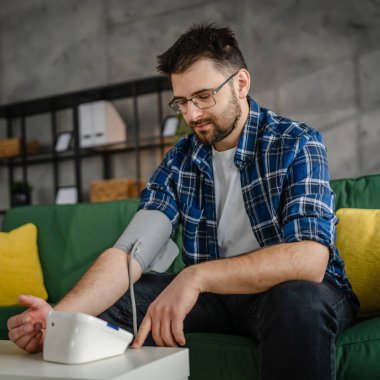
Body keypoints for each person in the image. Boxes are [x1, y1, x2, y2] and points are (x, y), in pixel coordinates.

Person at [8, 24, 358, 380]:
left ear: (241, 83)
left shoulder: (296, 142)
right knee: (114, 301)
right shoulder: (180, 160)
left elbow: (310, 259)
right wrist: (57, 320)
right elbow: (130, 253)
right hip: (216, 299)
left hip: (294, 293)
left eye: (203, 96)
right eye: (182, 102)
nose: (191, 115)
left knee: (298, 302)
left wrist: (196, 276)